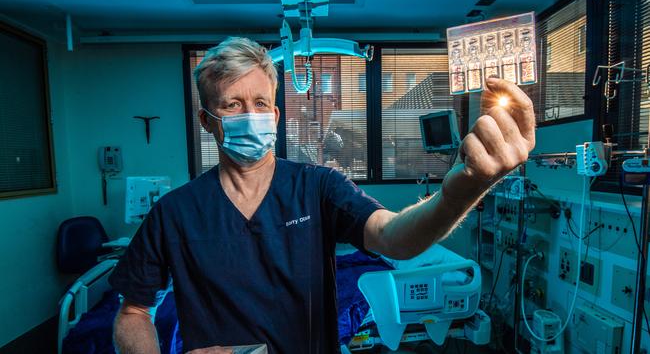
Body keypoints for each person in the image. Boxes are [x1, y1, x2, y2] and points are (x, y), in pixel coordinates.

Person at [109, 37, 535, 354]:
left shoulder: (317, 187)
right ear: (207, 120)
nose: (250, 116)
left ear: (275, 115)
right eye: (232, 105)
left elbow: (392, 236)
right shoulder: (175, 213)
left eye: (260, 102)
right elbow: (132, 313)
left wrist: (461, 191)